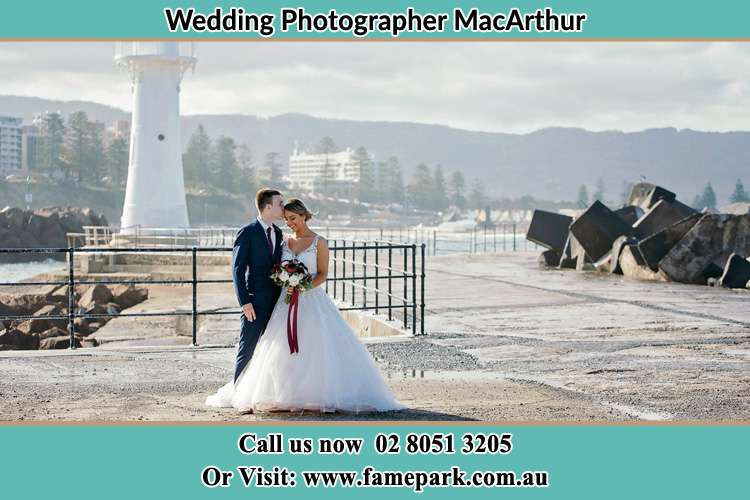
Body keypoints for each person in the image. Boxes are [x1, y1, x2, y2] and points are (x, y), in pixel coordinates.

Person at [206, 198, 406, 414]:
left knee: (314, 347)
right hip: (284, 301)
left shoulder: (319, 242)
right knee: (280, 349)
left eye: (293, 218)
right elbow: (272, 268)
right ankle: (283, 393)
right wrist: (285, 282)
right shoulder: (284, 241)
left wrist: (303, 285)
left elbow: (323, 274)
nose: (289, 223)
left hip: (311, 300)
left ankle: (314, 394)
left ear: (303, 215)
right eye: (286, 219)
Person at [229, 188, 285, 384]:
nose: (283, 208)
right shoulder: (248, 231)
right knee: (247, 348)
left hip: (277, 303)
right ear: (268, 207)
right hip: (254, 302)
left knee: (274, 349)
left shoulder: (278, 232)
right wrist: (245, 302)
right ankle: (238, 392)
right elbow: (237, 269)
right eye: (280, 204)